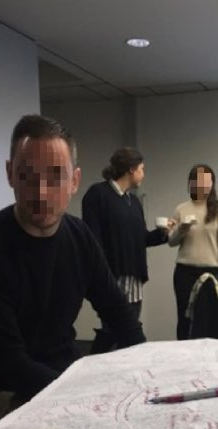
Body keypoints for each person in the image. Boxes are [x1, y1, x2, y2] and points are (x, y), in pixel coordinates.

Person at [0, 114, 145, 426]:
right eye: (28, 176)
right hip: (3, 390)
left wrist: (148, 368)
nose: (42, 192)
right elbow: (9, 363)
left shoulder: (79, 237)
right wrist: (84, 394)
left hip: (62, 373)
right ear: (10, 174)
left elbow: (119, 314)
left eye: (56, 176)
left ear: (74, 181)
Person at [81, 147, 168, 353]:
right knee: (113, 332)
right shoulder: (98, 195)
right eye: (142, 169)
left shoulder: (134, 201)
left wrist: (163, 233)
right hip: (112, 279)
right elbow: (93, 241)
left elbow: (141, 239)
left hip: (135, 281)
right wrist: (103, 278)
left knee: (126, 337)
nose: (143, 174)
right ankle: (92, 364)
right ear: (131, 169)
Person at [168, 164, 218, 340]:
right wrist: (182, 229)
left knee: (207, 320)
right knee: (184, 318)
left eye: (208, 181)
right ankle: (183, 351)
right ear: (192, 183)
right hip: (184, 272)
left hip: (210, 273)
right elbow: (171, 241)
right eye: (200, 181)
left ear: (212, 184)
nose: (204, 185)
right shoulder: (181, 209)